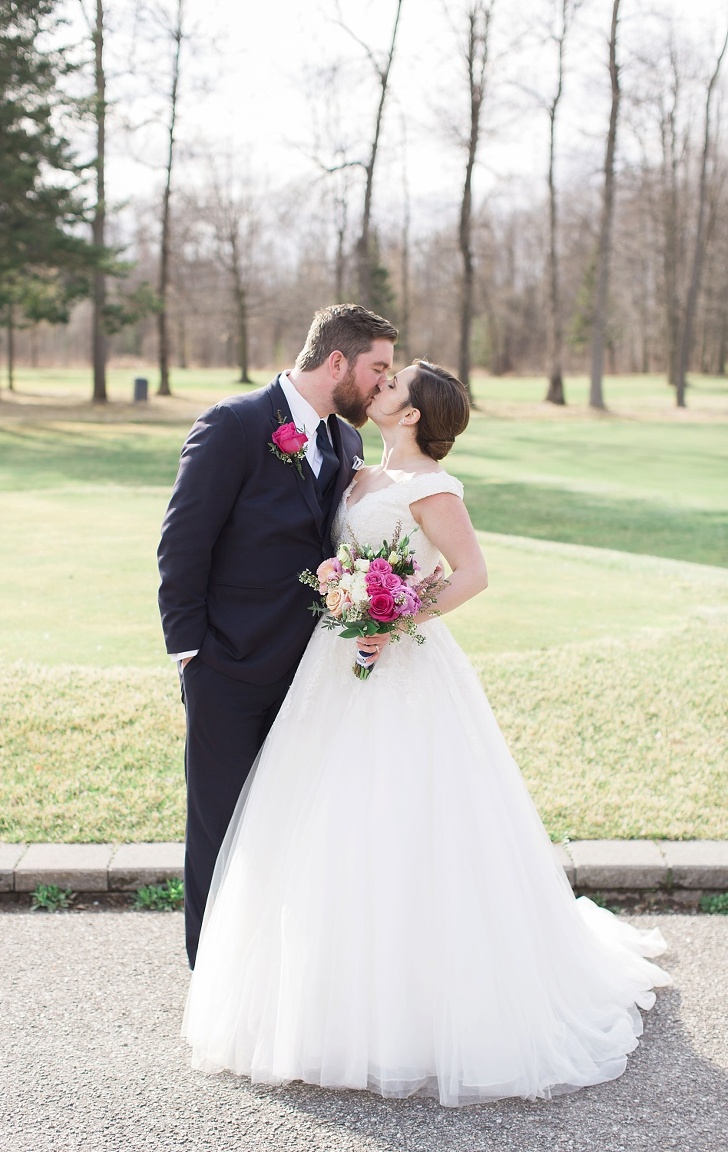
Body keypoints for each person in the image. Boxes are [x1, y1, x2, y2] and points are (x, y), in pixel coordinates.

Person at [182, 359, 671, 1107]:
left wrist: (395, 615)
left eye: (392, 385)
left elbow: (471, 573)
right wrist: (350, 598)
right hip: (331, 669)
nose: (378, 388)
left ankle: (423, 1004)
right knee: (327, 823)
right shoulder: (352, 473)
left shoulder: (432, 488)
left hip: (403, 666)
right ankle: (328, 996)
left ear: (412, 414)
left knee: (412, 822)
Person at [157, 304, 398, 969]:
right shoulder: (234, 424)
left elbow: (336, 549)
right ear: (338, 362)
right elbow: (182, 544)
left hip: (313, 674)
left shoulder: (345, 444)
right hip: (227, 668)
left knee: (296, 825)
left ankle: (276, 979)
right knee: (220, 829)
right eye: (377, 369)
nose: (382, 385)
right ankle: (212, 977)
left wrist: (370, 616)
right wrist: (191, 653)